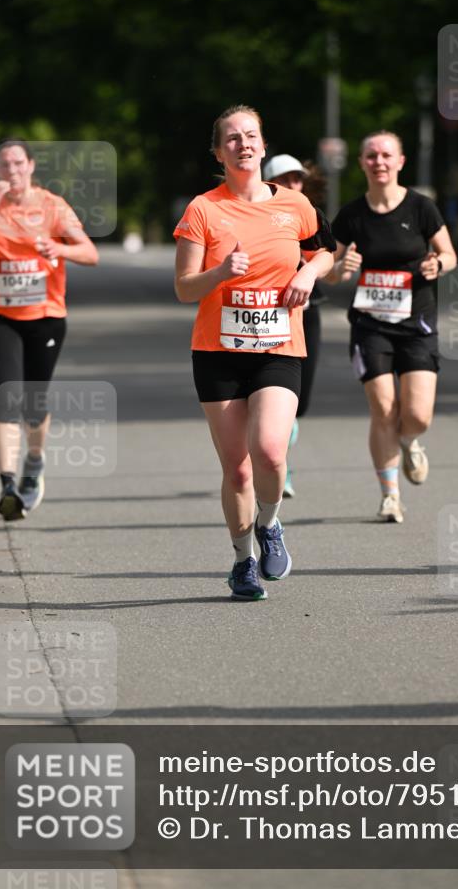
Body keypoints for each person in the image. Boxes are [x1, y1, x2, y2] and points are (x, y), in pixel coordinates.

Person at [173, 106, 335, 600]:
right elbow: (183, 287)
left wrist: (307, 274)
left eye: (251, 136)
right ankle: (243, 560)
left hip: (279, 346)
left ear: (263, 146)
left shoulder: (295, 206)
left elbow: (325, 251)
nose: (243, 144)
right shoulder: (203, 209)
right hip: (218, 352)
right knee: (237, 468)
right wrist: (220, 272)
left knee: (269, 449)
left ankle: (269, 525)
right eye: (232, 138)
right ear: (219, 152)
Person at [326, 130, 457, 523]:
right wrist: (340, 269)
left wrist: (439, 265)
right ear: (362, 163)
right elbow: (327, 272)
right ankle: (390, 496)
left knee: (417, 415)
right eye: (370, 155)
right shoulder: (351, 216)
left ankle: (410, 440)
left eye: (386, 155)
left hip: (416, 321)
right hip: (371, 325)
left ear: (400, 162)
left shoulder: (421, 208)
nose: (378, 161)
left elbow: (449, 254)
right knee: (383, 407)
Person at [0, 139, 99, 520]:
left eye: (18, 164)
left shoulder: (52, 206)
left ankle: (34, 462)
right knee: (5, 396)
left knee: (33, 404)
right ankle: (7, 483)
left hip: (45, 316)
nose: (12, 172)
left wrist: (61, 251)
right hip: (0, 315)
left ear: (31, 166)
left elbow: (90, 253)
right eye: (4, 165)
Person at [262, 154, 328, 498]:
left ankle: (275, 455)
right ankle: (278, 465)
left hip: (307, 312)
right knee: (272, 398)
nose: (293, 185)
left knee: (299, 402)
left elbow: (329, 260)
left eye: (297, 179)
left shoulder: (310, 216)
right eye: (284, 179)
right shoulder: (259, 213)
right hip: (267, 315)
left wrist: (316, 266)